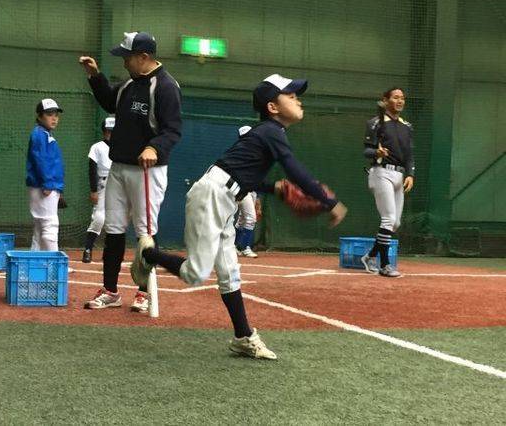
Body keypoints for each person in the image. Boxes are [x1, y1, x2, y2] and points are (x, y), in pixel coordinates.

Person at [132, 74, 347, 359]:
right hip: (212, 197)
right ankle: (149, 255)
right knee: (195, 274)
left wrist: (273, 188)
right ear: (272, 107)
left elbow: (243, 175)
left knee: (230, 274)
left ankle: (243, 337)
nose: (298, 100)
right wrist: (330, 202)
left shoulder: (268, 132)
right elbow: (294, 170)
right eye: (291, 95)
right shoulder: (271, 131)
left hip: (225, 198)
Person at [79, 31, 182, 313]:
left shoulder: (165, 87)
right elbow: (109, 102)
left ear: (144, 57)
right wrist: (95, 76)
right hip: (119, 167)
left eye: (127, 57)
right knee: (113, 230)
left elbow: (173, 130)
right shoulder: (128, 85)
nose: (124, 62)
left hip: (147, 171)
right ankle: (110, 291)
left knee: (146, 232)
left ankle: (144, 292)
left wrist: (154, 147)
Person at [360, 88, 414, 278]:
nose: (400, 101)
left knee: (395, 223)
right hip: (381, 173)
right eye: (395, 97)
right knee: (388, 219)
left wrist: (410, 174)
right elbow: (366, 151)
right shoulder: (375, 123)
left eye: (402, 98)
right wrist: (377, 152)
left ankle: (370, 256)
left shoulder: (407, 126)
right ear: (385, 100)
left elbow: (409, 154)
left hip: (400, 175)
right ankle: (385, 265)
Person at [26, 98, 65, 251]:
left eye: (56, 114)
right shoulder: (40, 134)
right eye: (49, 114)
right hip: (43, 186)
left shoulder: (44, 134)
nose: (54, 118)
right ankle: (54, 261)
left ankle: (35, 260)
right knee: (50, 225)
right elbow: (41, 160)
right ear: (40, 116)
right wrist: (48, 183)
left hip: (45, 185)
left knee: (39, 229)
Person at [82, 116, 114, 263]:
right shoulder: (97, 147)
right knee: (99, 218)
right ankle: (88, 249)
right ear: (104, 131)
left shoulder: (122, 147)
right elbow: (92, 169)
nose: (111, 134)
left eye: (113, 131)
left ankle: (110, 252)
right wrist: (93, 190)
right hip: (103, 184)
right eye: (108, 131)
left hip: (119, 185)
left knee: (116, 219)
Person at [234, 126, 259, 258]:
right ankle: (244, 247)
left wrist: (258, 198)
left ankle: (234, 246)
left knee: (242, 219)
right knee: (251, 218)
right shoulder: (240, 151)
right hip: (243, 188)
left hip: (252, 189)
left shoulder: (256, 151)